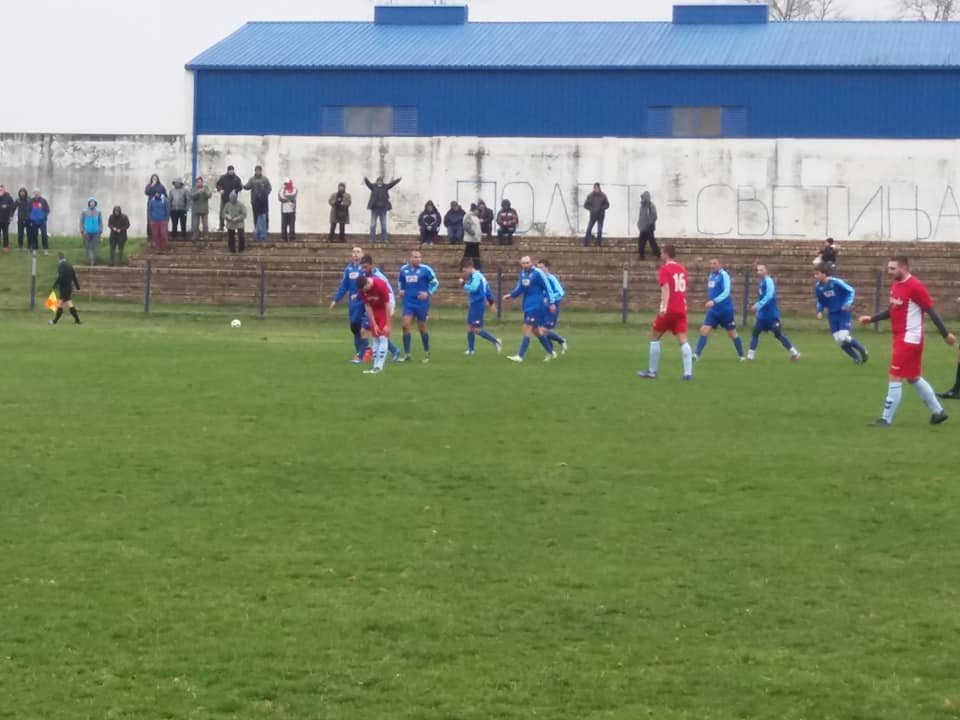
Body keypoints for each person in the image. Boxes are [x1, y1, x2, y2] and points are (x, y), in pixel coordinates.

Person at [858, 256, 956, 426]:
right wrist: (872, 319)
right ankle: (938, 412)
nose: (889, 272)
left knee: (895, 376)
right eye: (888, 268)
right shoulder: (896, 284)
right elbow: (893, 310)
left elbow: (931, 310)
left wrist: (945, 334)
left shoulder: (915, 286)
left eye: (893, 268)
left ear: (904, 268)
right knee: (912, 377)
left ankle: (885, 419)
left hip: (909, 338)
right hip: (902, 337)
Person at [637, 245, 694, 380]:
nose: (660, 254)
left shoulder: (665, 269)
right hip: (681, 309)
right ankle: (688, 374)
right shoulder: (682, 269)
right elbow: (684, 288)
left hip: (669, 309)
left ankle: (652, 371)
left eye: (662, 252)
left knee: (654, 337)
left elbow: (666, 289)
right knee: (683, 340)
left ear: (666, 254)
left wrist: (663, 307)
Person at [503, 255, 561, 363]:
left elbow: (548, 287)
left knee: (527, 327)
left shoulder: (538, 273)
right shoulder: (523, 274)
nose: (525, 265)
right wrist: (511, 295)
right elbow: (520, 288)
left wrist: (552, 302)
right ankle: (550, 352)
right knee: (536, 330)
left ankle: (520, 356)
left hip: (537, 305)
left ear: (531, 263)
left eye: (527, 263)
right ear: (521, 264)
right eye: (523, 263)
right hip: (527, 304)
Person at [814, 264, 868, 365]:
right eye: (815, 274)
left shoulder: (836, 282)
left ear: (824, 274)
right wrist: (819, 311)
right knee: (839, 341)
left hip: (843, 313)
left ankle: (861, 349)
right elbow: (820, 301)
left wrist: (847, 304)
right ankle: (855, 358)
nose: (815, 276)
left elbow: (850, 291)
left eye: (817, 274)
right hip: (832, 315)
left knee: (843, 337)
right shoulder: (818, 287)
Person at [694, 258, 744, 361]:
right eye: (711, 263)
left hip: (725, 310)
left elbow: (726, 292)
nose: (712, 265)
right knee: (704, 330)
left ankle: (742, 356)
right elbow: (712, 291)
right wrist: (709, 301)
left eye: (715, 263)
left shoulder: (724, 275)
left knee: (732, 333)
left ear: (720, 264)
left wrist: (714, 301)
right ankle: (696, 355)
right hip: (713, 310)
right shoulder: (711, 276)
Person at [748, 264, 800, 362]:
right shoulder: (762, 282)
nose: (759, 272)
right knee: (755, 333)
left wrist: (758, 305)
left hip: (771, 315)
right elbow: (762, 297)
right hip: (762, 315)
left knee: (777, 333)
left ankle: (795, 353)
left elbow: (769, 295)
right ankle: (750, 356)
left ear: (766, 271)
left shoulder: (769, 281)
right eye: (758, 270)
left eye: (761, 270)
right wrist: (759, 310)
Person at [330, 246, 372, 364]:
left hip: (363, 302)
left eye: (358, 252)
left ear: (362, 254)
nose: (355, 254)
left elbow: (370, 284)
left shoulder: (365, 269)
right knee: (354, 328)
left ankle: (360, 355)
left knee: (361, 328)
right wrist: (336, 299)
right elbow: (344, 286)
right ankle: (364, 350)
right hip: (353, 304)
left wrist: (360, 295)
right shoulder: (348, 269)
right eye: (353, 252)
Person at [397, 249, 439, 363]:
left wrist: (428, 293)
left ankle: (427, 352)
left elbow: (435, 283)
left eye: (419, 257)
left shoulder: (426, 269)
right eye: (415, 257)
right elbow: (401, 282)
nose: (417, 259)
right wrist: (401, 290)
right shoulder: (403, 269)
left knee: (422, 327)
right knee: (405, 325)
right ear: (410, 258)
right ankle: (407, 354)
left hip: (421, 303)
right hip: (408, 302)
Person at [459, 259, 501, 355]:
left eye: (465, 271)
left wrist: (463, 283)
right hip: (474, 304)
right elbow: (487, 290)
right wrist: (491, 303)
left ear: (470, 268)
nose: (465, 273)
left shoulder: (477, 276)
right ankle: (471, 350)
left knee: (476, 329)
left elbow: (473, 288)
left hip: (478, 304)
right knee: (469, 327)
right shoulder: (477, 276)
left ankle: (496, 341)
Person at [356, 271, 393, 375]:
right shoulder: (362, 290)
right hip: (374, 311)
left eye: (365, 289)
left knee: (383, 337)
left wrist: (388, 323)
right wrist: (373, 323)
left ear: (368, 283)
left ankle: (379, 366)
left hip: (384, 310)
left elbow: (387, 304)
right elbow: (367, 306)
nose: (365, 291)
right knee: (375, 338)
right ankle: (375, 366)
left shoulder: (380, 285)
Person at [537, 260, 568, 354]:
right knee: (540, 330)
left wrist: (550, 299)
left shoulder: (552, 279)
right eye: (538, 268)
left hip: (552, 308)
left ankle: (557, 345)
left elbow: (560, 292)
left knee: (543, 330)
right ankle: (552, 350)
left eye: (541, 267)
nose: (539, 270)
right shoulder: (538, 280)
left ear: (547, 268)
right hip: (541, 308)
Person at [364, 175, 401, 244]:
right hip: (374, 209)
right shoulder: (373, 187)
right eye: (378, 181)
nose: (379, 182)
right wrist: (365, 178)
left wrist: (397, 180)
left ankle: (385, 239)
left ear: (382, 182)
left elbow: (392, 184)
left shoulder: (385, 187)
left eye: (381, 181)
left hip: (383, 209)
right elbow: (368, 183)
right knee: (373, 224)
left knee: (383, 224)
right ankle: (372, 239)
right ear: (376, 181)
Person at [50, 252, 81, 325]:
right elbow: (74, 276)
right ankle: (77, 321)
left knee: (59, 304)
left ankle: (54, 321)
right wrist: (77, 286)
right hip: (69, 288)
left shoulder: (61, 265)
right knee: (69, 303)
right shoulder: (69, 265)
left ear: (58, 258)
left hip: (63, 288)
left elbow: (60, 276)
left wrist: (54, 285)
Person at [245, 165, 272, 241]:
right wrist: (242, 185)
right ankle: (257, 232)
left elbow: (269, 188)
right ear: (255, 171)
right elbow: (247, 186)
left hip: (264, 202)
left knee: (265, 217)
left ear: (261, 171)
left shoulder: (265, 179)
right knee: (256, 217)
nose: (257, 172)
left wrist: (265, 195)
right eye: (256, 170)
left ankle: (265, 231)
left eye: (259, 170)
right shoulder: (252, 179)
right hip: (255, 201)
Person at [216, 165, 243, 232]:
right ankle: (221, 226)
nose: (231, 171)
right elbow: (218, 185)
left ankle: (232, 227)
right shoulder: (223, 177)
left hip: (233, 200)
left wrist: (235, 190)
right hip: (224, 198)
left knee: (233, 213)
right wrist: (220, 190)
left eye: (232, 170)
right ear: (227, 171)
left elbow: (240, 187)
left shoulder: (236, 178)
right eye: (230, 170)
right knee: (222, 212)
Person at [79, 197, 103, 266]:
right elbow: (81, 221)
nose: (92, 204)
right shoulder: (84, 211)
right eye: (91, 202)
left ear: (95, 204)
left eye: (93, 202)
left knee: (95, 247)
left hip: (96, 232)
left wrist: (100, 229)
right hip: (87, 232)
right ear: (88, 203)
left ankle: (94, 261)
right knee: (86, 247)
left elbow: (100, 222)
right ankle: (86, 261)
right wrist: (82, 230)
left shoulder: (98, 212)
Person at [27, 188, 51, 255]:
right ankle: (34, 249)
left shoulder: (44, 201)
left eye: (37, 192)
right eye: (35, 192)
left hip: (42, 221)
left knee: (44, 235)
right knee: (34, 235)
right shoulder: (31, 201)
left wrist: (44, 216)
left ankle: (45, 249)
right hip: (33, 221)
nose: (36, 193)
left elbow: (47, 210)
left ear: (40, 193)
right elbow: (28, 211)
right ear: (33, 193)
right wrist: (31, 217)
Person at [637, 190, 659, 260]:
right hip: (643, 228)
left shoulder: (651, 206)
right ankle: (641, 255)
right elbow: (641, 216)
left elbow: (654, 216)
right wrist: (639, 223)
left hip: (649, 228)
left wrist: (648, 223)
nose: (642, 199)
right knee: (641, 242)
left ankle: (658, 254)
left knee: (652, 242)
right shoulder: (642, 206)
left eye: (643, 197)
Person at [144, 174, 165, 240]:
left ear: (158, 179)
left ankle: (158, 235)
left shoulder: (161, 186)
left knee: (158, 220)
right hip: (151, 205)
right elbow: (146, 192)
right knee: (150, 220)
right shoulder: (149, 185)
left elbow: (165, 194)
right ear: (151, 179)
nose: (154, 179)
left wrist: (159, 195)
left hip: (159, 206)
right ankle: (150, 235)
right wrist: (151, 186)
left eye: (156, 178)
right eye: (153, 178)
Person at [462, 204, 482, 271]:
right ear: (474, 210)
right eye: (477, 210)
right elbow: (466, 226)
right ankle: (464, 267)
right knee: (468, 254)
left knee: (476, 255)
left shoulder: (475, 217)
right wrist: (473, 233)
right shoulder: (468, 216)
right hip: (470, 239)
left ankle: (477, 267)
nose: (478, 212)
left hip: (475, 240)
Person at [0, 185, 15, 252]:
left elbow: (13, 206)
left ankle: (5, 246)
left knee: (5, 234)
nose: (1, 191)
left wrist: (7, 206)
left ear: (4, 190)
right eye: (0, 190)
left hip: (5, 219)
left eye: (2, 190)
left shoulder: (9, 197)